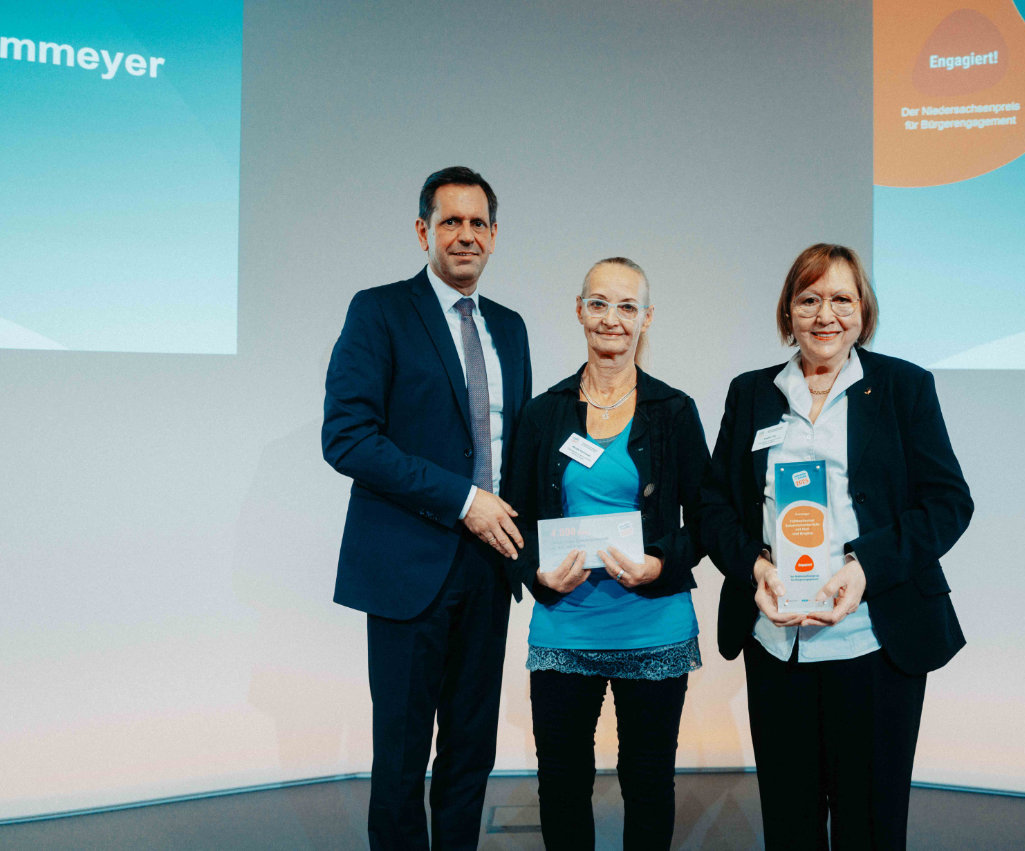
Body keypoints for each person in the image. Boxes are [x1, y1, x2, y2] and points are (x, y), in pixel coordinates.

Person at [700, 243, 973, 849]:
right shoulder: (752, 392)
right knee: (789, 825)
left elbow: (949, 502)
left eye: (842, 299)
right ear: (788, 312)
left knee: (870, 828)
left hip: (873, 642)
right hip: (777, 644)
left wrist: (866, 568)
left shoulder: (903, 387)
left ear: (863, 310)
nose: (826, 315)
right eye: (809, 300)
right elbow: (715, 504)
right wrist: (753, 566)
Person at [322, 166, 532, 849]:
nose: (465, 235)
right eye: (451, 222)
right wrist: (464, 500)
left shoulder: (510, 327)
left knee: (471, 750)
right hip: (408, 568)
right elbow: (348, 437)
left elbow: (516, 446)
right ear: (423, 232)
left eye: (478, 223)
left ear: (494, 235)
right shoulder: (379, 311)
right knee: (402, 754)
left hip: (490, 568)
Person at [504, 257, 709, 850]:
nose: (611, 319)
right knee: (561, 782)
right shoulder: (543, 413)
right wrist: (537, 575)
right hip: (565, 629)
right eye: (598, 304)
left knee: (648, 781)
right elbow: (513, 518)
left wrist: (660, 562)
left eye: (626, 306)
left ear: (647, 317)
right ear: (579, 311)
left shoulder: (673, 412)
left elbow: (708, 521)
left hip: (654, 628)